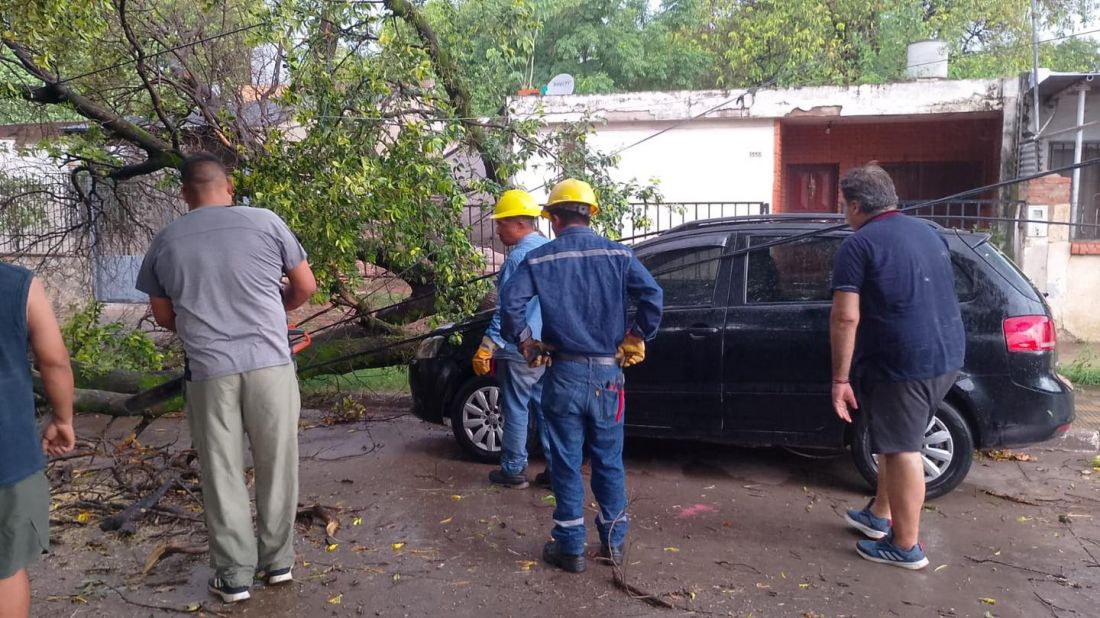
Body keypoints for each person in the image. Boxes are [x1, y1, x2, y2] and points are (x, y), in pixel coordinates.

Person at [136, 152, 317, 602]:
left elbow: (162, 315)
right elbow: (306, 286)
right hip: (271, 365)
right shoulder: (266, 222)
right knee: (278, 463)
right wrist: (279, 313)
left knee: (222, 471)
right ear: (229, 186)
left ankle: (234, 575)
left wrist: (203, 324)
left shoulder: (166, 240)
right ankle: (277, 563)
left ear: (184, 193)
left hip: (209, 371)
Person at [500, 178, 663, 573]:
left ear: (553, 219)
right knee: (608, 460)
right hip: (609, 376)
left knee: (566, 462)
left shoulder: (540, 259)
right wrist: (636, 336)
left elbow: (511, 303)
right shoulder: (619, 255)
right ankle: (613, 544)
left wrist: (525, 343)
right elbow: (653, 296)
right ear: (590, 214)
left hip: (564, 374)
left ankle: (570, 547)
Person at [829, 164, 965, 571]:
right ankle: (879, 516)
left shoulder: (858, 245)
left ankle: (906, 546)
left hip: (904, 362)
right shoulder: (928, 231)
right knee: (893, 437)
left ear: (855, 205)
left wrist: (840, 378)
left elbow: (845, 318)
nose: (843, 214)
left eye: (843, 206)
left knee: (904, 448)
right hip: (945, 354)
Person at [0, 264, 76, 618]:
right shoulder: (17, 284)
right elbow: (54, 360)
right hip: (8, 455)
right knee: (7, 566)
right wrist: (62, 419)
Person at [473, 190, 553, 490]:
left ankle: (513, 470)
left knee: (516, 407)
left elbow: (507, 309)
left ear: (519, 223)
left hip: (520, 346)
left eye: (501, 223)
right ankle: (556, 471)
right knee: (545, 407)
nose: (496, 229)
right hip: (548, 343)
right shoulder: (551, 249)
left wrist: (486, 347)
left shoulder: (520, 256)